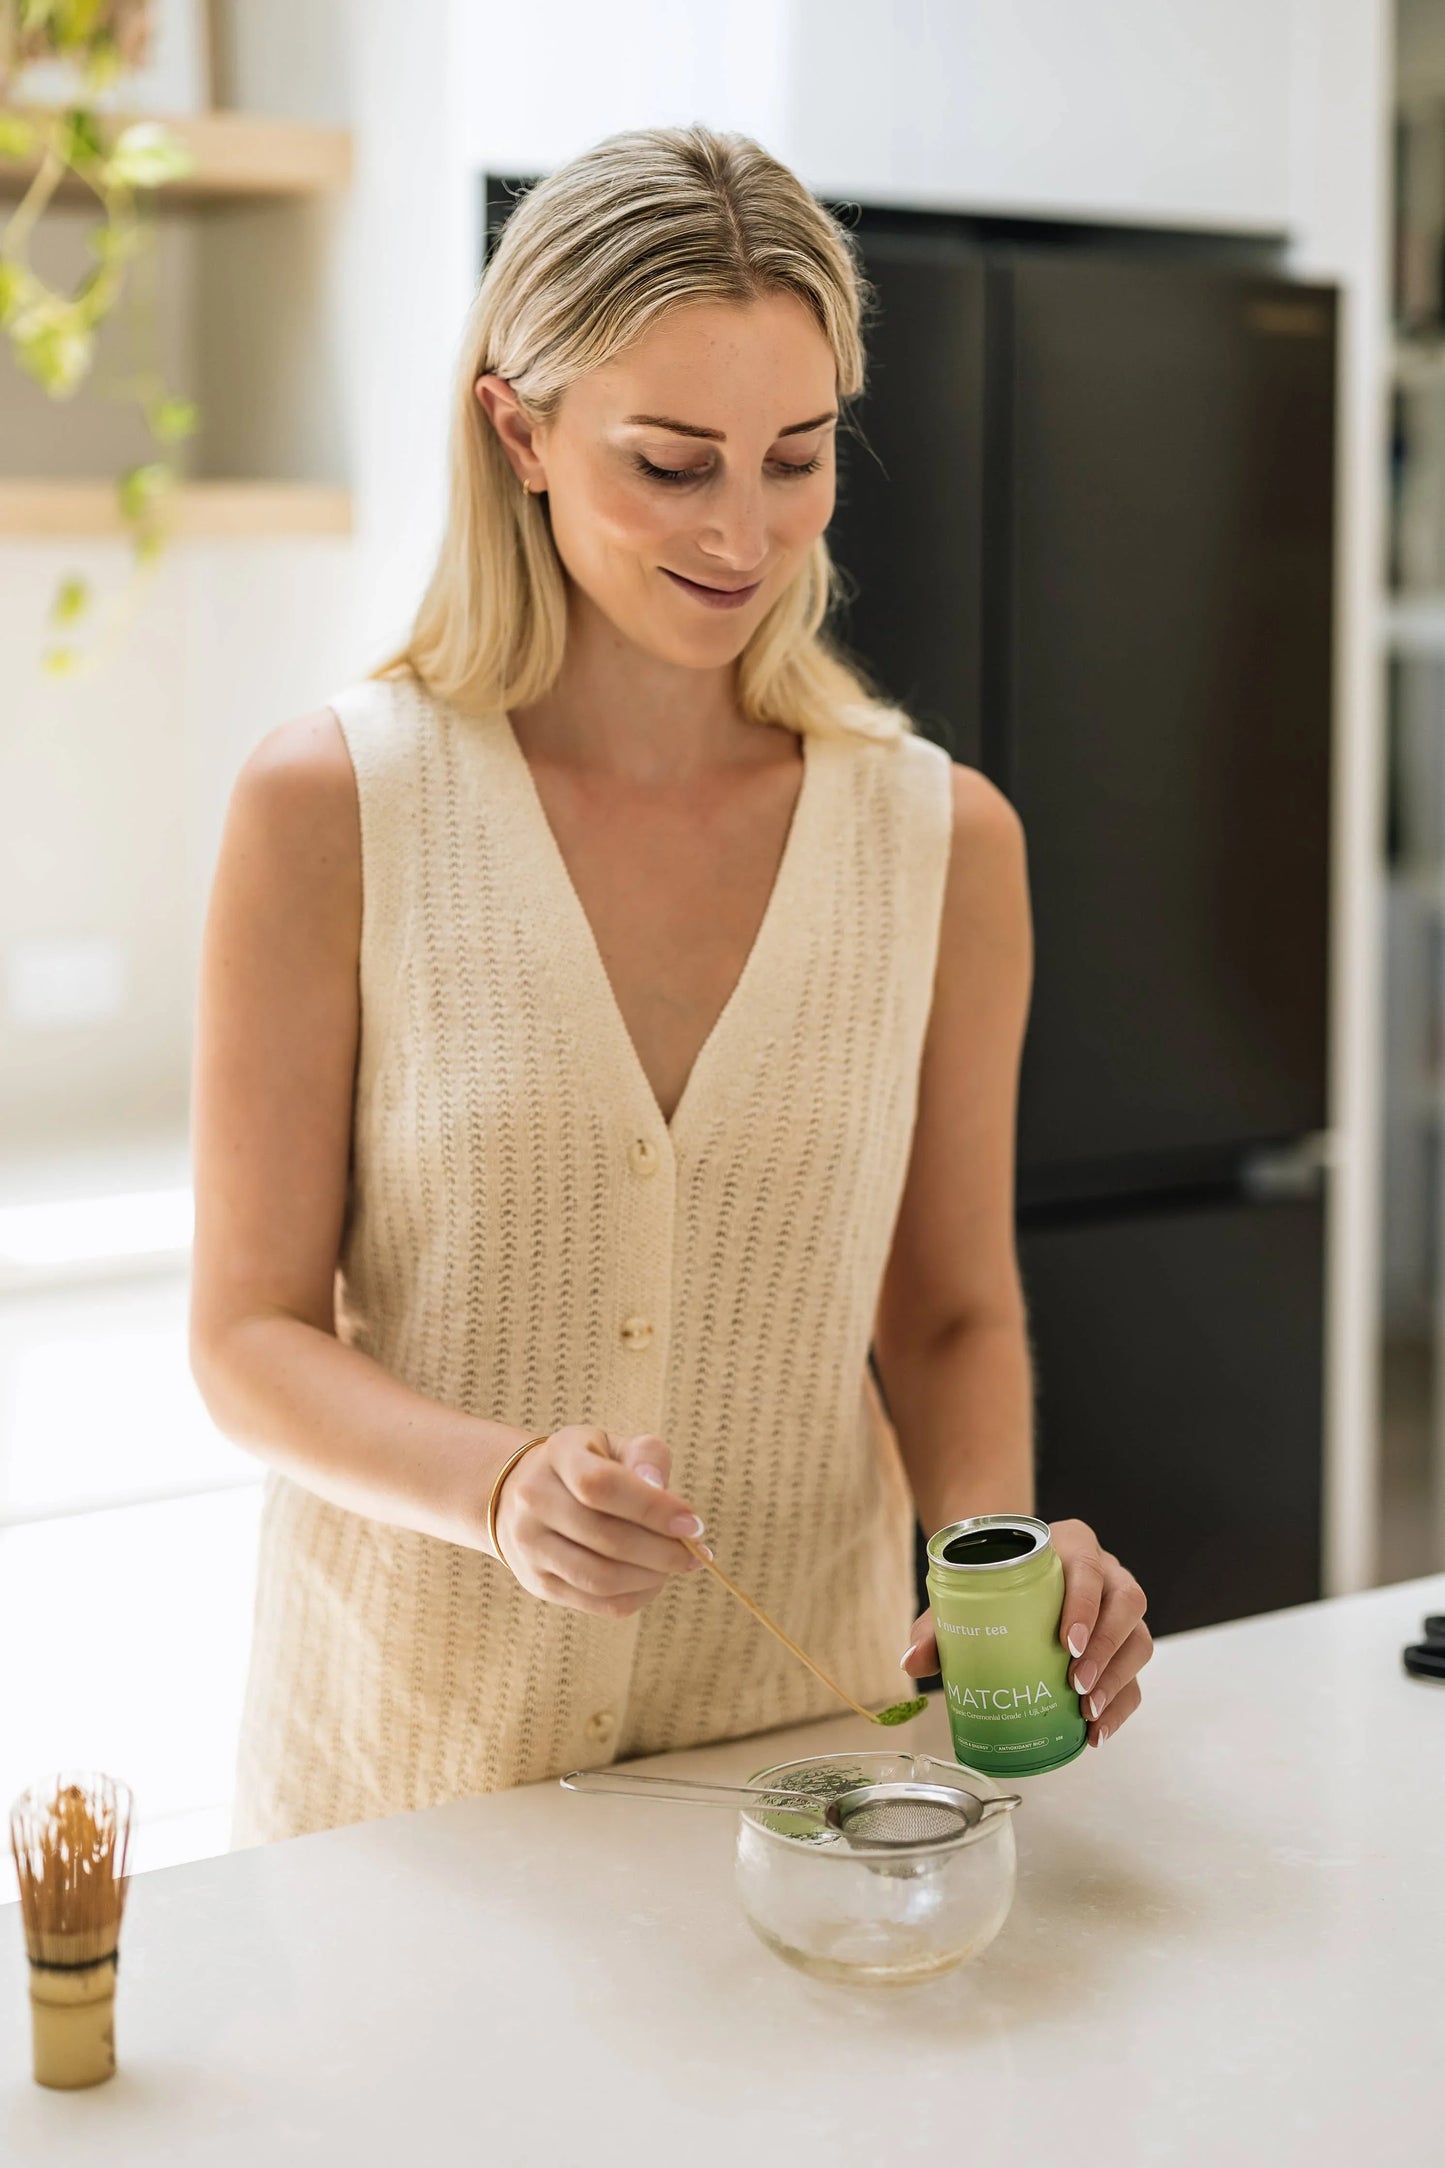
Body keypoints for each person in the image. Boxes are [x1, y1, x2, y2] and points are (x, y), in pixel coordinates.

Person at [190, 123, 1152, 1847]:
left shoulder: (942, 839)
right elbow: (245, 1337)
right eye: (672, 462)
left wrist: (996, 1568)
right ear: (520, 432)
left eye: (796, 458)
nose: (745, 532)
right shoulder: (331, 806)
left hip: (797, 1777)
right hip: (414, 1782)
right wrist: (489, 1490)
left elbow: (946, 1314)